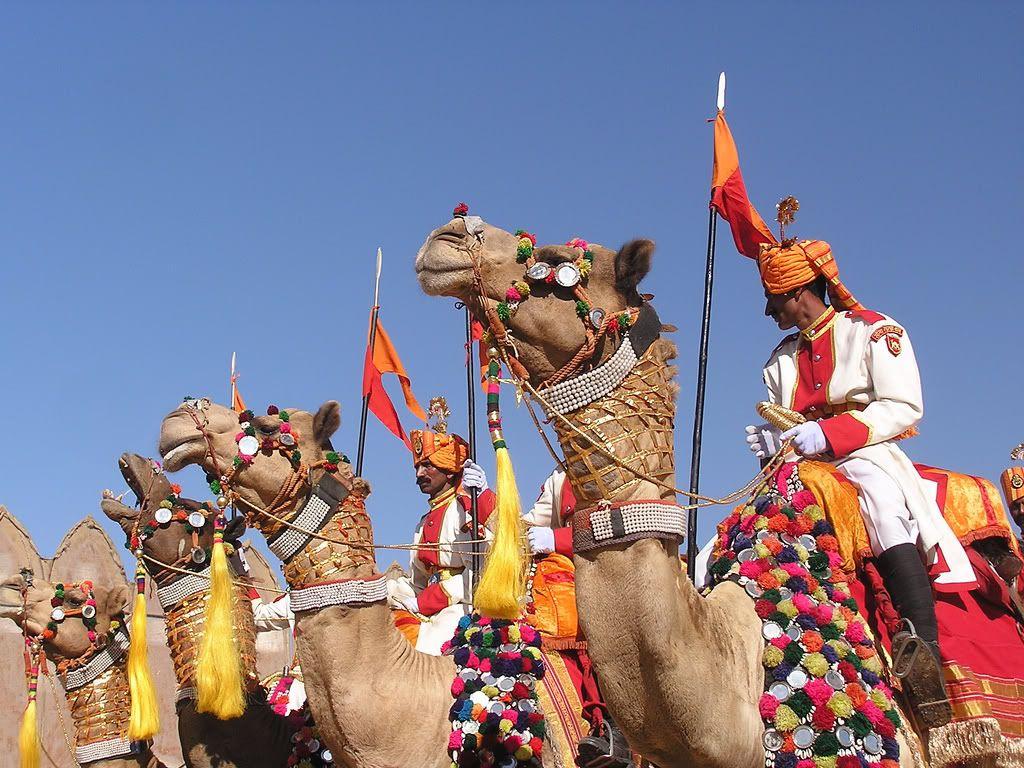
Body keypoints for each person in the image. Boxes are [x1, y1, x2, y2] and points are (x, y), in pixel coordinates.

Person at [743, 236, 971, 728]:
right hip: (801, 460)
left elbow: (903, 406)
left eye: (773, 297)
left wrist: (829, 431)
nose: (767, 311)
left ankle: (923, 647)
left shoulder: (872, 331)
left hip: (865, 449)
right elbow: (789, 419)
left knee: (883, 505)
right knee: (750, 528)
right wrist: (773, 437)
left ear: (800, 290)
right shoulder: (778, 359)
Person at [524, 468, 632, 768]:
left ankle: (618, 729)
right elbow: (530, 524)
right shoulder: (559, 477)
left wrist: (557, 538)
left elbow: (621, 524)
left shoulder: (620, 464)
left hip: (617, 568)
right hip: (572, 576)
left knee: (612, 631)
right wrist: (490, 507)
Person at [387, 414, 494, 655]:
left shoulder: (464, 510)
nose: (418, 475)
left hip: (462, 607)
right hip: (428, 607)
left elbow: (480, 574)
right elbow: (415, 583)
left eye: (427, 465)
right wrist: (380, 590)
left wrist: (426, 601)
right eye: (417, 467)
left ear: (448, 471)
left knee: (427, 652)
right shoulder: (423, 523)